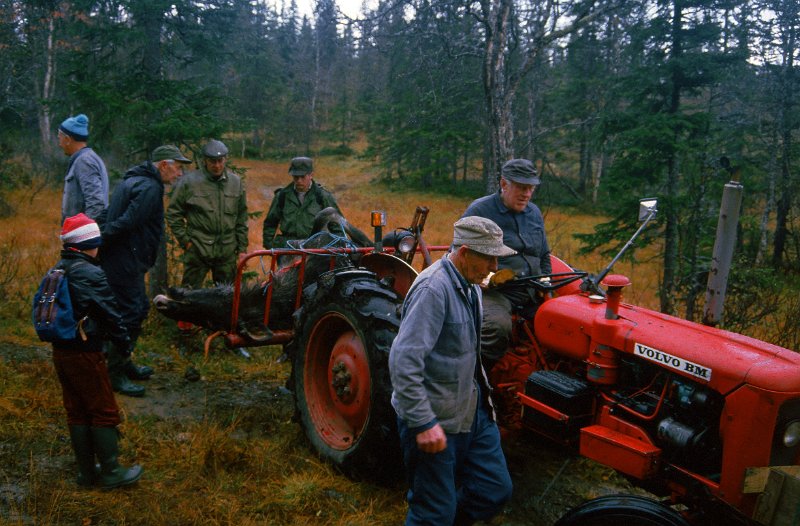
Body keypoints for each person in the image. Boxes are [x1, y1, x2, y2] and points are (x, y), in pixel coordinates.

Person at [389, 216, 515, 526]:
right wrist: (423, 422)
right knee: (434, 513)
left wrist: (485, 412)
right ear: (463, 252)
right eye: (489, 257)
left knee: (494, 490)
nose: (496, 268)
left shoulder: (472, 286)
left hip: (471, 413)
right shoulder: (434, 289)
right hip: (435, 418)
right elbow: (403, 362)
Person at [51, 213, 143, 489]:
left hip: (62, 350)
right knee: (103, 409)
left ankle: (87, 472)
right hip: (86, 350)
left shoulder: (59, 268)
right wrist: (124, 345)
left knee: (77, 410)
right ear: (90, 242)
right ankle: (112, 472)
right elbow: (111, 314)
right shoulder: (90, 272)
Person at [98, 145, 191, 397]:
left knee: (128, 310)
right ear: (163, 165)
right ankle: (115, 373)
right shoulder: (150, 187)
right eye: (178, 168)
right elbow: (128, 221)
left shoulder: (131, 180)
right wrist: (100, 238)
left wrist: (98, 233)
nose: (179, 174)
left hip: (121, 259)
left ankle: (123, 363)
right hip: (125, 261)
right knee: (133, 312)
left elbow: (108, 213)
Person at [461, 158, 551, 366]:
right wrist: (490, 278)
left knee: (563, 323)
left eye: (530, 188)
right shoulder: (481, 211)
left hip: (532, 289)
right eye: (521, 187)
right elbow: (460, 257)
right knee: (496, 327)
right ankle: (476, 379)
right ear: (503, 184)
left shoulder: (534, 213)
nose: (527, 194)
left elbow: (544, 255)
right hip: (494, 294)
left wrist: (547, 288)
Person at [165, 139, 249, 289]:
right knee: (189, 296)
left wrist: (242, 249)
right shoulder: (189, 182)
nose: (217, 165)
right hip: (198, 250)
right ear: (204, 161)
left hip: (227, 252)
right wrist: (186, 241)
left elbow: (242, 217)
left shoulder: (236, 183)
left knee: (227, 298)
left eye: (220, 161)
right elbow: (173, 213)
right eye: (212, 161)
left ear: (226, 159)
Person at [262, 156, 341, 249]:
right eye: (296, 177)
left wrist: (337, 247)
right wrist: (270, 246)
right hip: (288, 248)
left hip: (315, 248)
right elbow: (270, 223)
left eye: (303, 177)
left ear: (311, 175)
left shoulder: (322, 196)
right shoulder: (282, 196)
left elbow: (337, 225)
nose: (299, 180)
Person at [58, 114, 109, 222]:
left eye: (60, 138)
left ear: (67, 139)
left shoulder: (84, 161)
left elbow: (95, 204)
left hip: (83, 236)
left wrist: (86, 235)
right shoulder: (86, 158)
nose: (59, 144)